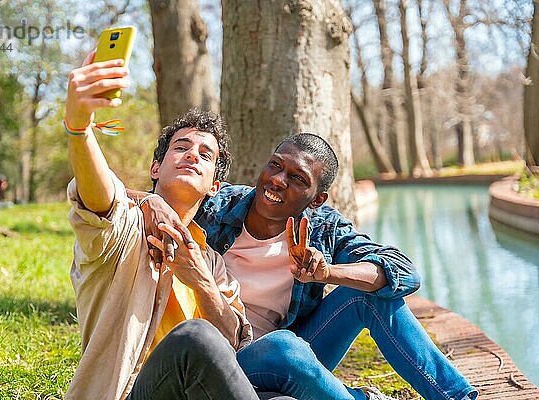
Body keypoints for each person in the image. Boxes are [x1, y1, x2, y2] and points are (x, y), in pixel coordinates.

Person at [143, 133, 478, 400]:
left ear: (317, 198)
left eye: (297, 178)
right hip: (217, 356)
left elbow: (403, 272)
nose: (277, 180)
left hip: (295, 354)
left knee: (368, 298)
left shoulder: (323, 229)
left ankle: (456, 397)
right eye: (275, 166)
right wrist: (152, 201)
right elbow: (119, 199)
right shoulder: (217, 205)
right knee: (283, 345)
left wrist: (328, 273)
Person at [63, 51, 260, 400]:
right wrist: (79, 127)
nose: (191, 155)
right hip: (128, 393)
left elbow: (236, 345)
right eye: (181, 147)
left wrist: (201, 282)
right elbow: (99, 193)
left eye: (205, 154)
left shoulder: (211, 262)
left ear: (215, 185)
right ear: (156, 168)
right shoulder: (125, 227)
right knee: (194, 338)